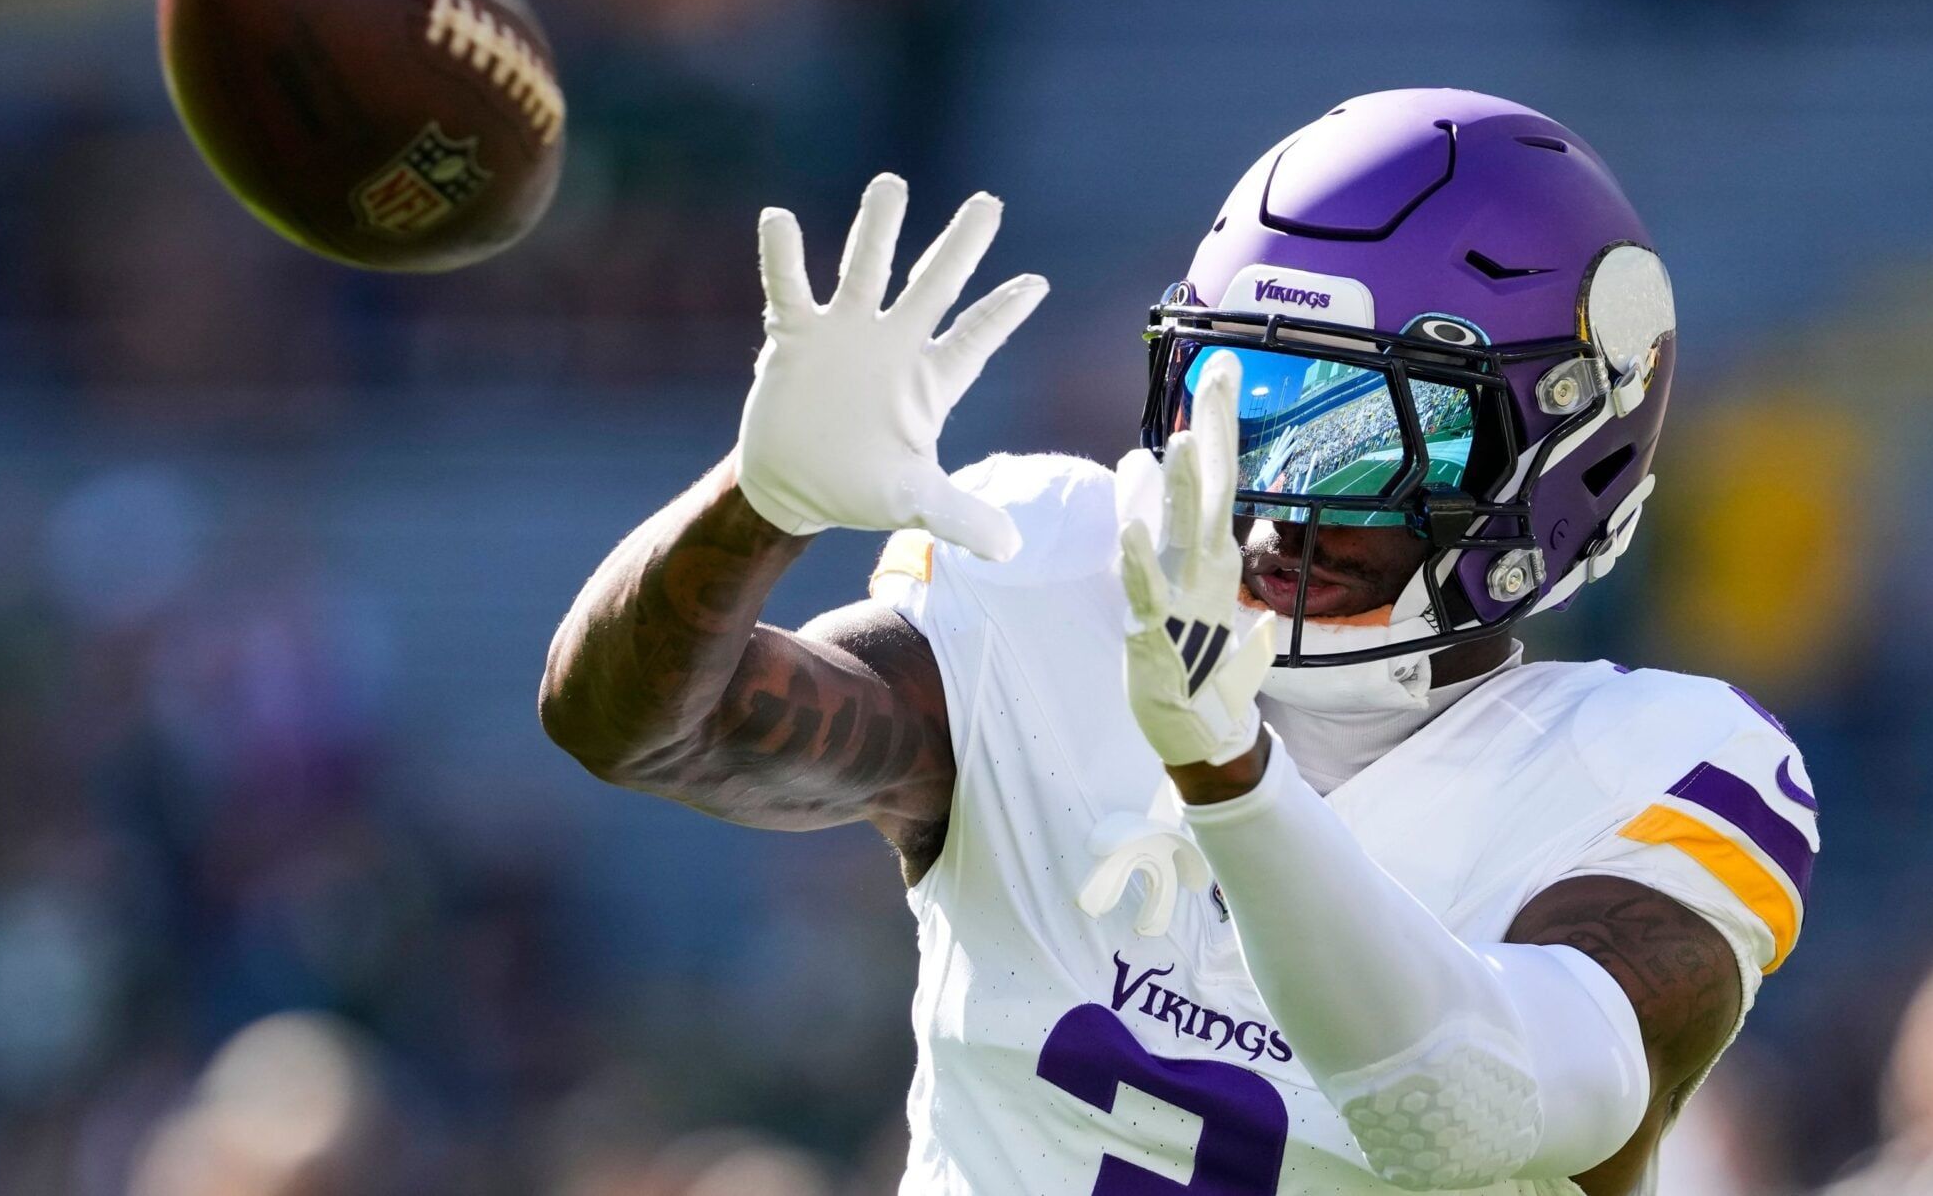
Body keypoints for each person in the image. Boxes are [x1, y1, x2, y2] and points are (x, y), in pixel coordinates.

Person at [540, 89, 1820, 1195]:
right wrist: (759, 502)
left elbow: (1457, 1116)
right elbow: (636, 727)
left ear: (1562, 449)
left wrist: (1230, 776)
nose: (1280, 490)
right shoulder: (1056, 580)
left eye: (1369, 431)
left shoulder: (1656, 767)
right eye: (1245, 395)